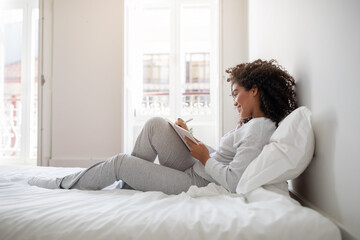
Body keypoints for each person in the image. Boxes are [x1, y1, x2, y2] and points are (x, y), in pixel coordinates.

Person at [28, 59, 297, 194]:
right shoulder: (252, 125)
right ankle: (131, 185)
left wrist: (203, 156)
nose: (235, 101)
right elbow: (223, 157)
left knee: (121, 162)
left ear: (254, 91)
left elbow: (235, 181)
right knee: (156, 125)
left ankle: (62, 184)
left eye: (236, 93)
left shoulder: (260, 129)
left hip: (198, 182)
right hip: (199, 167)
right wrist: (190, 139)